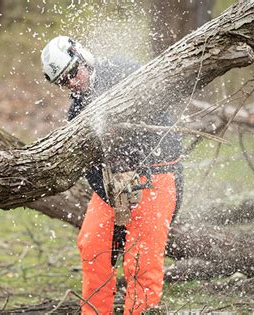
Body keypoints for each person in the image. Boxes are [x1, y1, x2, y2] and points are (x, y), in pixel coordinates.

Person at [41, 36, 183, 315]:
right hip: (115, 186)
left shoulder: (123, 71)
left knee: (141, 260)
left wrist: (136, 168)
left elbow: (160, 120)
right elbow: (85, 164)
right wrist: (109, 193)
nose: (71, 82)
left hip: (158, 174)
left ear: (82, 58)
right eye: (62, 81)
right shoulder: (77, 112)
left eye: (72, 72)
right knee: (91, 243)